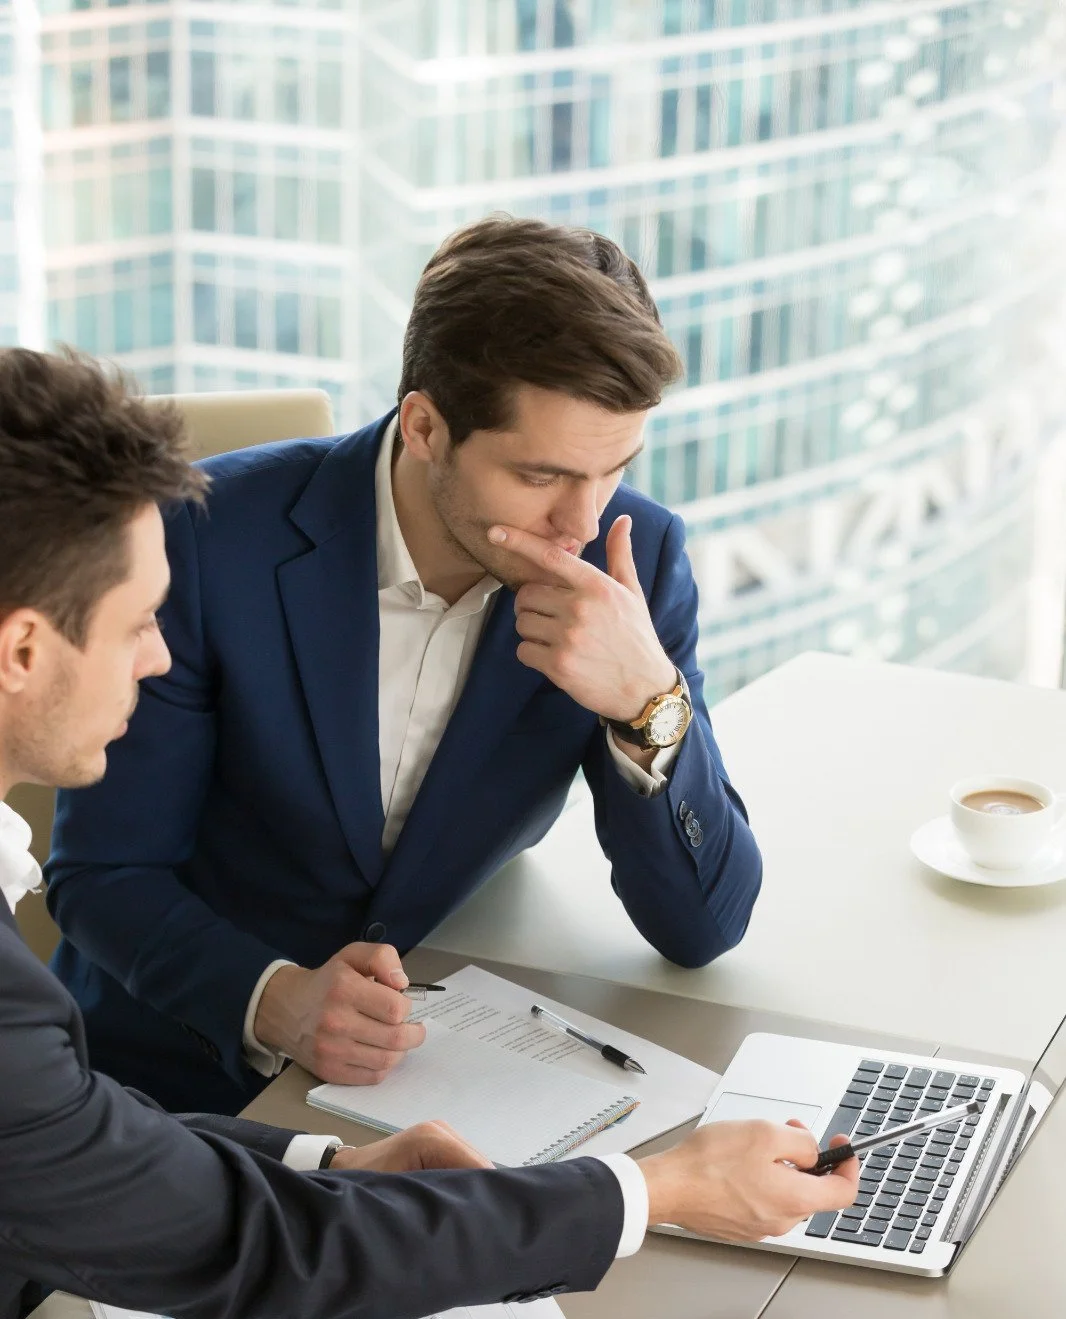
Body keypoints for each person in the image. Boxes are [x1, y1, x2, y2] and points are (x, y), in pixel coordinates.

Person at [0, 346, 856, 1319]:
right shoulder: (215, 538)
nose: (156, 658)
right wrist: (654, 1188)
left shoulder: (628, 566)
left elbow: (79, 1146)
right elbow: (240, 1241)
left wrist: (326, 1168)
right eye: (139, 623)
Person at [47, 215, 763, 1117]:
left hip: (441, 1080)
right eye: (540, 477)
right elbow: (102, 873)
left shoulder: (635, 562)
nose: (580, 524)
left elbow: (704, 929)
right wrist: (274, 999)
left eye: (615, 468)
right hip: (168, 1087)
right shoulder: (199, 542)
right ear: (425, 426)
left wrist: (647, 705)